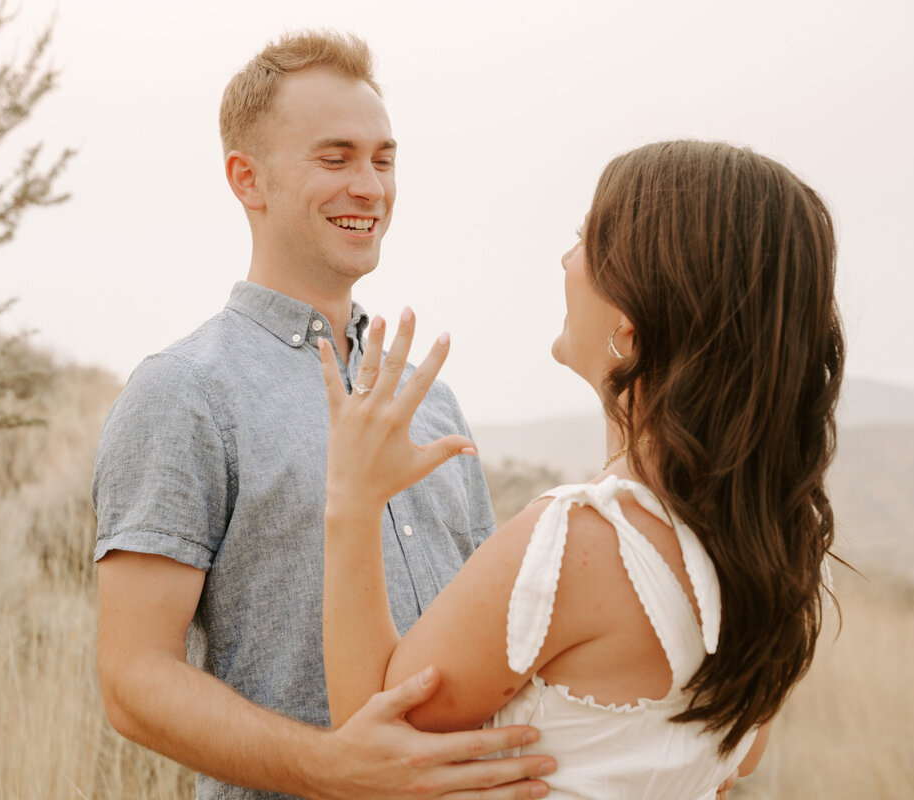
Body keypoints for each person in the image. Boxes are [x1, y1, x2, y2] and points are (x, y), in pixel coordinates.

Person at [92, 30, 557, 800]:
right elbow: (133, 679)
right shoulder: (183, 391)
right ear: (248, 179)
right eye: (335, 158)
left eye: (383, 158)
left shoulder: (431, 400)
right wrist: (336, 771)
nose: (370, 187)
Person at [318, 140, 842, 798]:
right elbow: (728, 769)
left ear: (631, 326)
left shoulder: (579, 541)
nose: (567, 261)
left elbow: (369, 740)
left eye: (586, 239)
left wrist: (353, 496)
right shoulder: (763, 556)